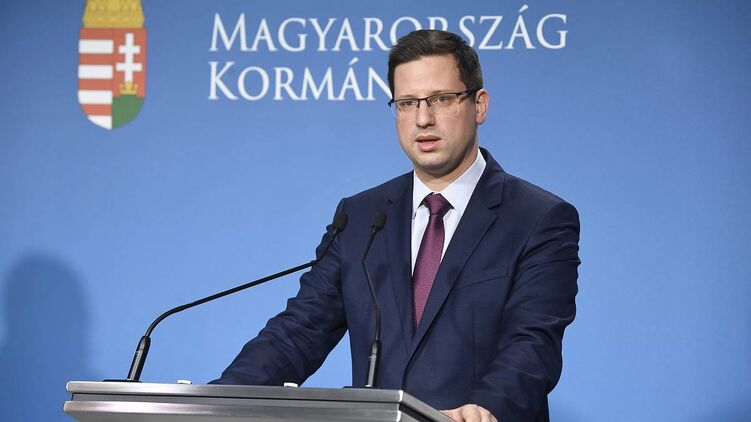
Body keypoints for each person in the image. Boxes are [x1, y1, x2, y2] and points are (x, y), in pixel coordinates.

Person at [212, 29, 580, 422]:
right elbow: (299, 332)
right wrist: (215, 403)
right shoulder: (361, 218)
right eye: (407, 103)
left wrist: (485, 407)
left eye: (441, 98)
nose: (423, 118)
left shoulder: (537, 218)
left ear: (479, 105)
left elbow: (532, 343)